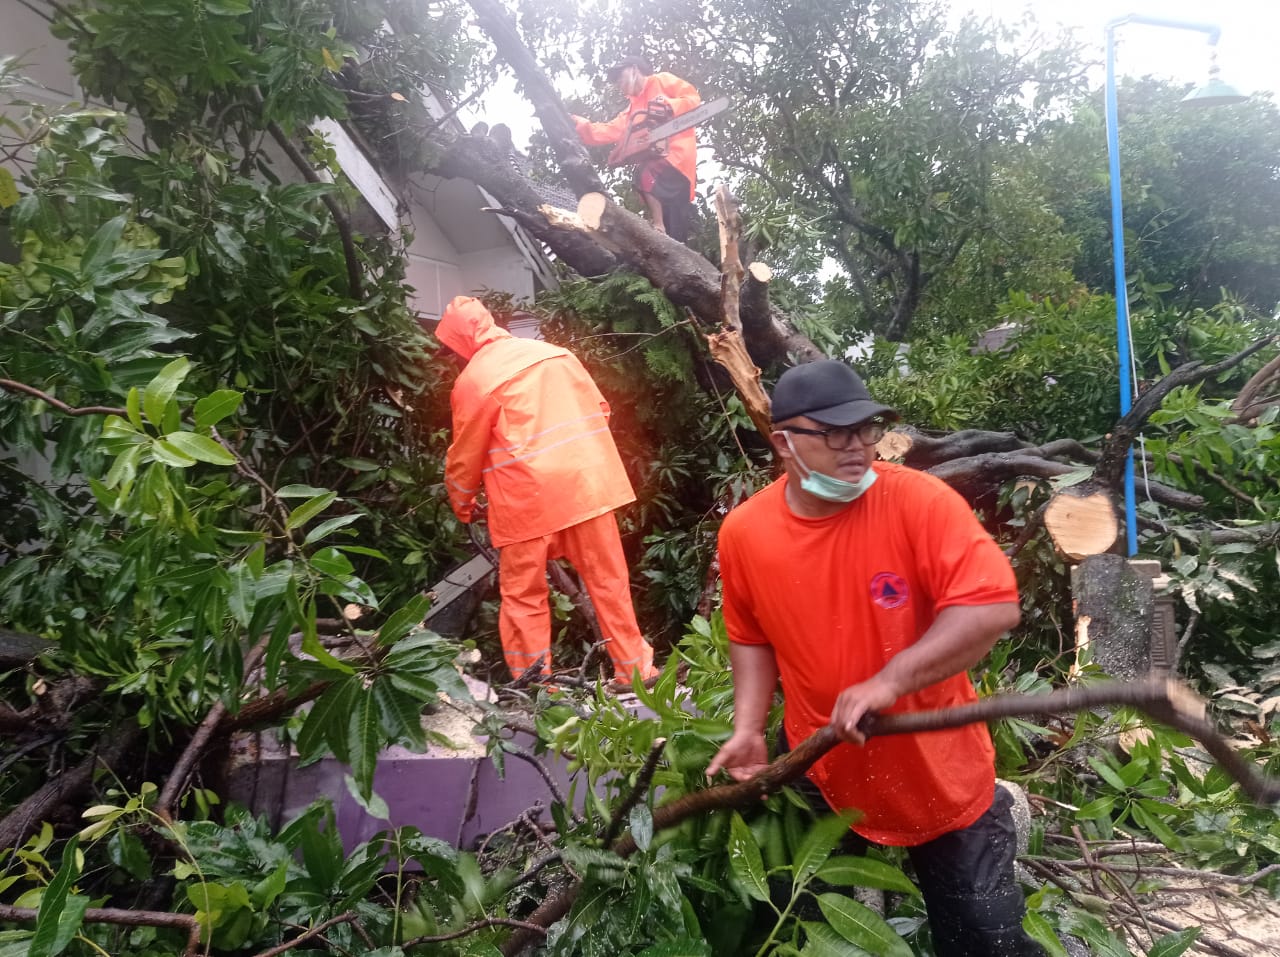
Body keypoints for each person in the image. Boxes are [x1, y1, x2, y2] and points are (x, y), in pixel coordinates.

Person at [705, 359, 1042, 956]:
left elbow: (991, 608)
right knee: (806, 929)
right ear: (783, 441)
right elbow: (750, 635)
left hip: (936, 759)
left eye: (865, 429)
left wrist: (890, 681)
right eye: (836, 433)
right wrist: (749, 728)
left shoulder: (918, 502)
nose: (857, 446)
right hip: (822, 759)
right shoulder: (745, 532)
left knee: (986, 941)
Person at [434, 295, 656, 687]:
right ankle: (636, 670)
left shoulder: (475, 380)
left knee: (524, 597)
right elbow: (601, 410)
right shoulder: (554, 354)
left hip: (527, 503)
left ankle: (537, 685)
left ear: (459, 340)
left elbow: (465, 456)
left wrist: (462, 503)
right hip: (589, 488)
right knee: (610, 584)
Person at [571, 54, 701, 243]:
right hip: (658, 160)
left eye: (620, 76)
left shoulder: (661, 80)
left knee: (644, 174)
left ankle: (658, 225)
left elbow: (693, 99)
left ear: (634, 69)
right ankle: (670, 239)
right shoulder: (633, 109)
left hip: (677, 157)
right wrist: (580, 125)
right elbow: (608, 131)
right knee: (673, 220)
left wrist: (670, 106)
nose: (619, 83)